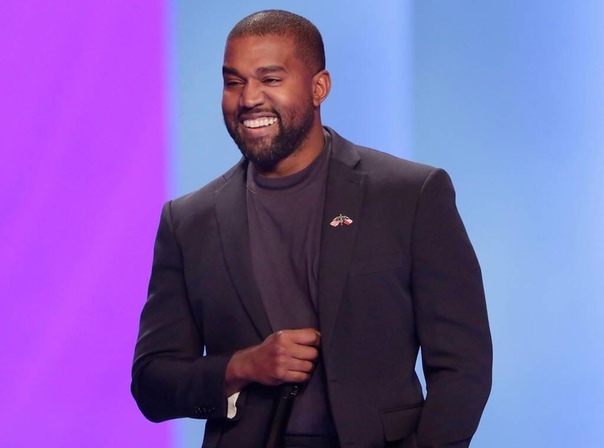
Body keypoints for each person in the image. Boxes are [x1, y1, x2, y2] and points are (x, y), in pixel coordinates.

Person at [131, 9, 492, 448]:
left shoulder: (409, 195)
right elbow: (152, 382)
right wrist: (244, 365)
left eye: (270, 79)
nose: (249, 99)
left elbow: (463, 365)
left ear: (319, 87)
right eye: (234, 82)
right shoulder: (189, 221)